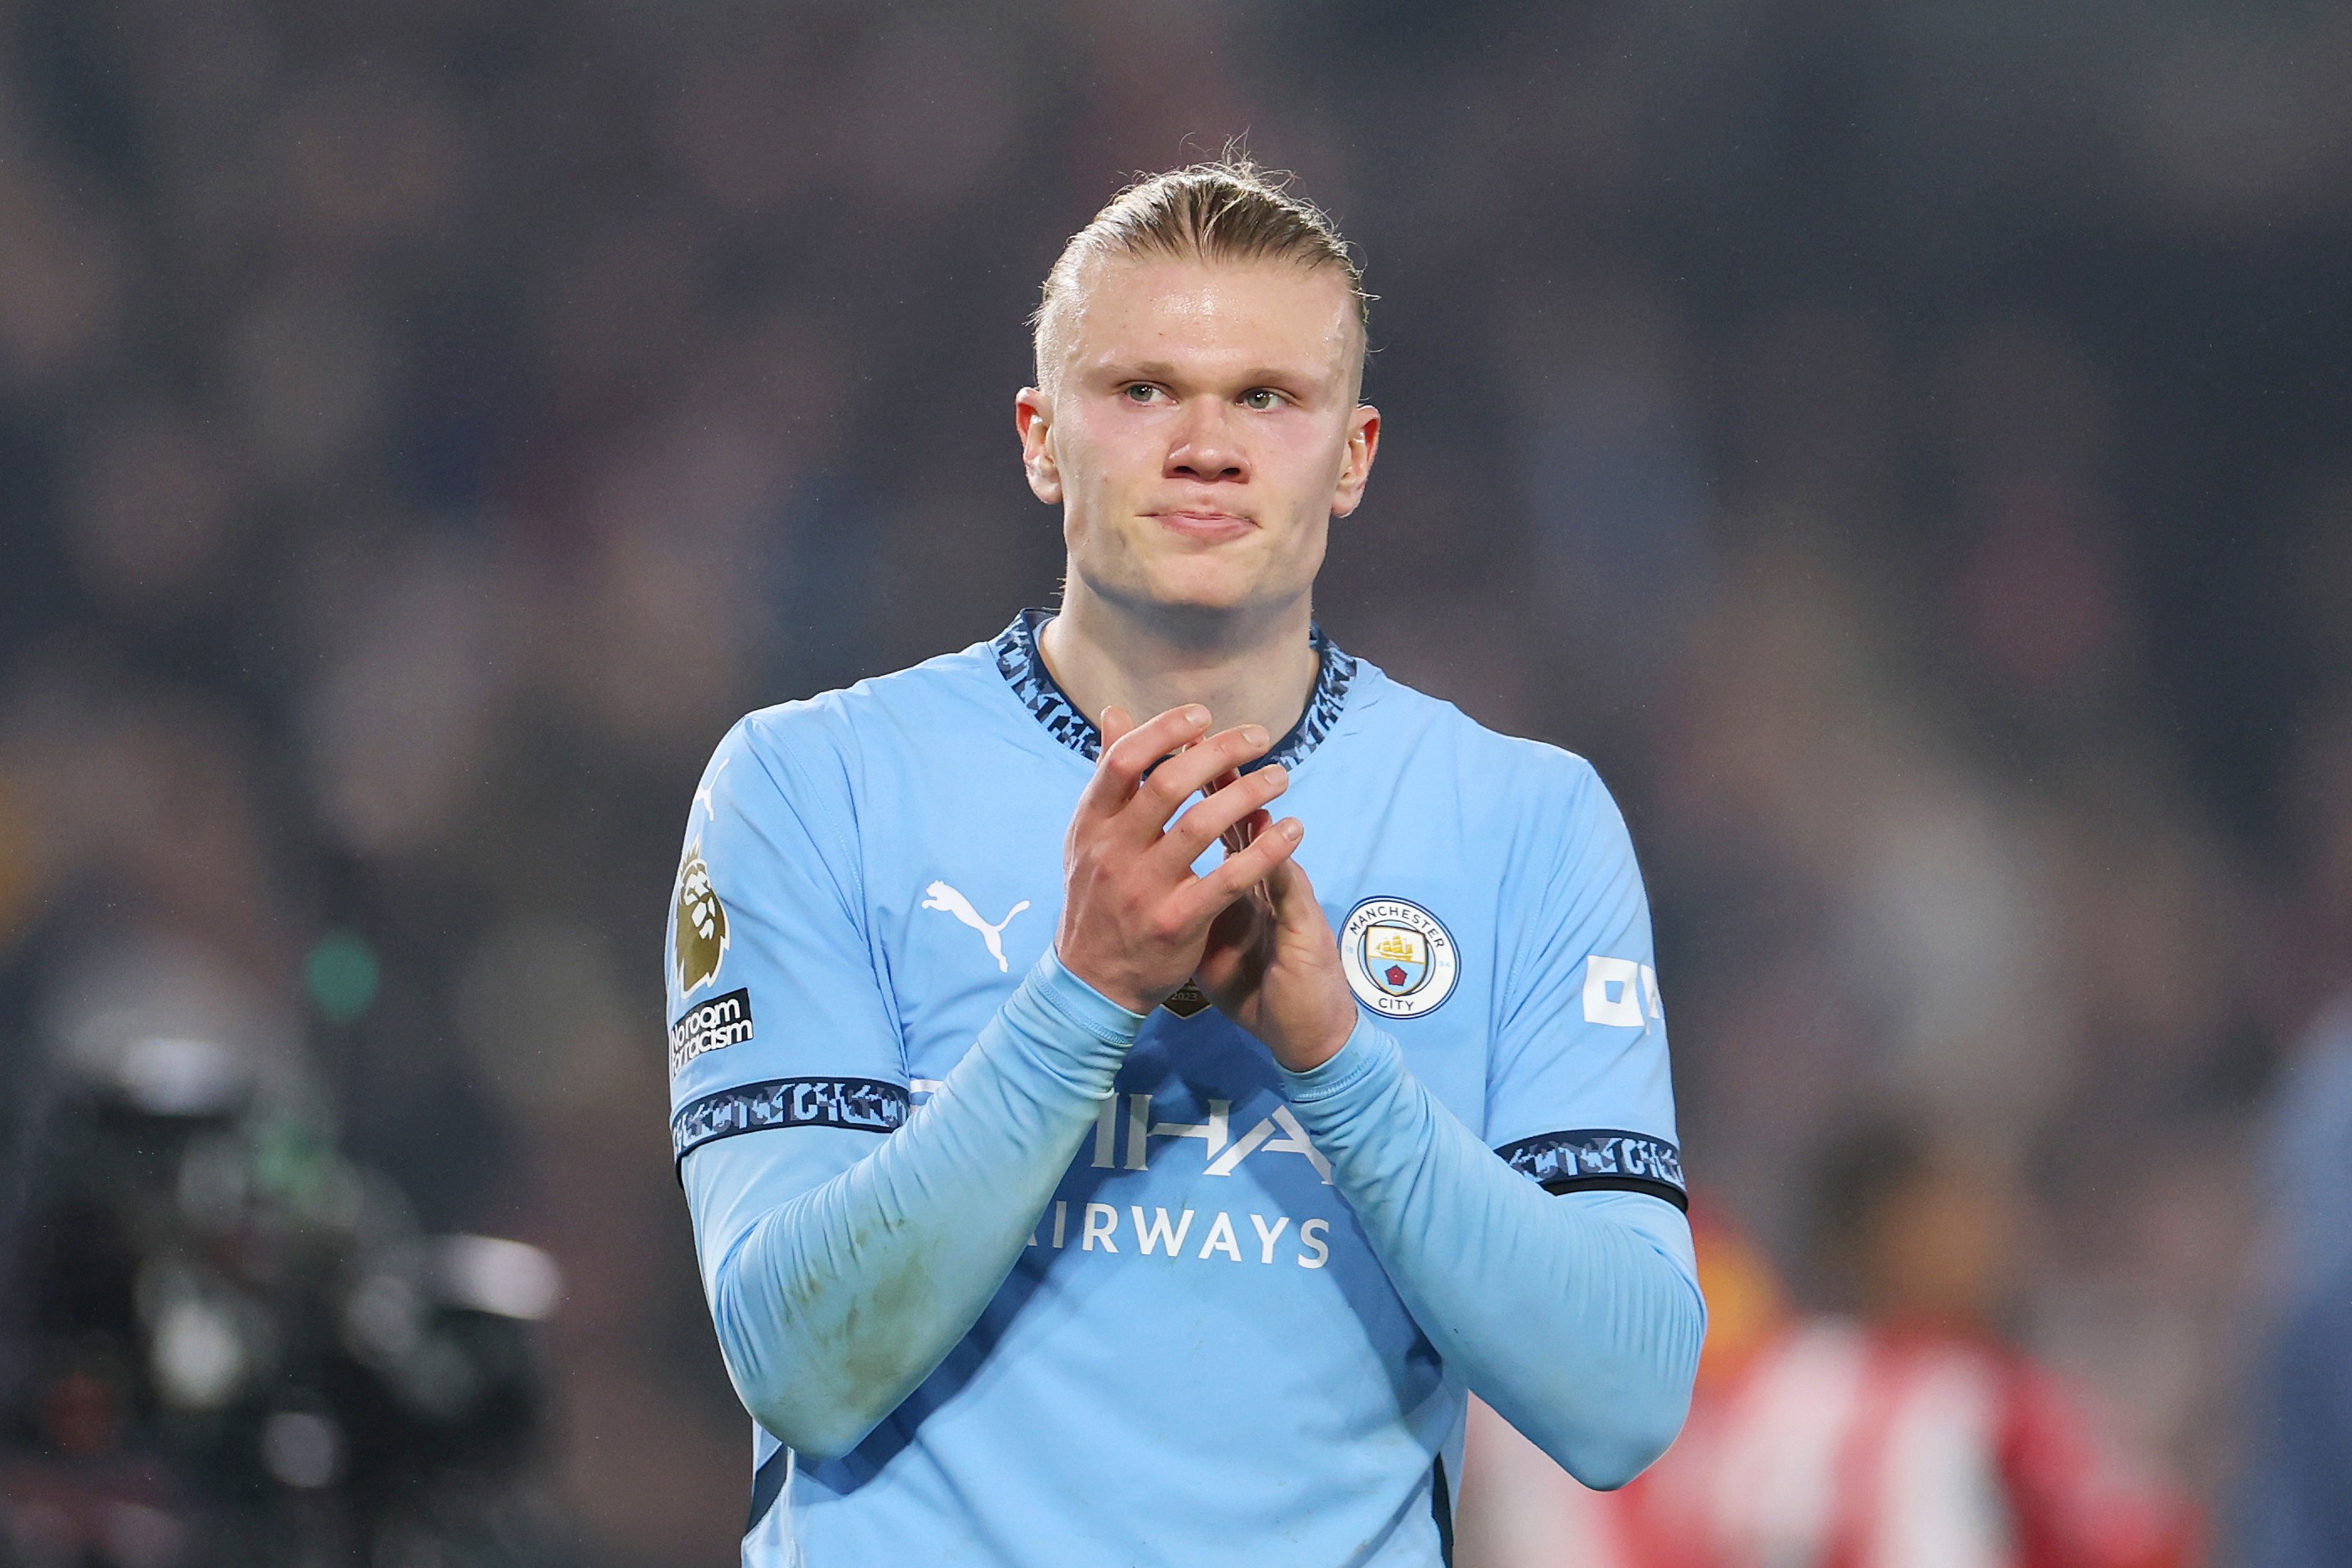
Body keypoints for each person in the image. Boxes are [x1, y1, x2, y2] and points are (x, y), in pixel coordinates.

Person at [663, 158, 1706, 1567]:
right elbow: (797, 1362)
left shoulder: (1524, 821)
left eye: (1268, 398)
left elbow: (1625, 1401)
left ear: (1355, 454)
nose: (1206, 443)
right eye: (1141, 389)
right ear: (1041, 439)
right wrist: (1083, 995)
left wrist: (1335, 1061)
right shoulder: (811, 787)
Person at [1459, 1135, 2196, 1568]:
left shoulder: (1763, 1374)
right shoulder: (1968, 1392)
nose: (1989, 1243)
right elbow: (2143, 1540)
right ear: (1871, 1241)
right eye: (1949, 1220)